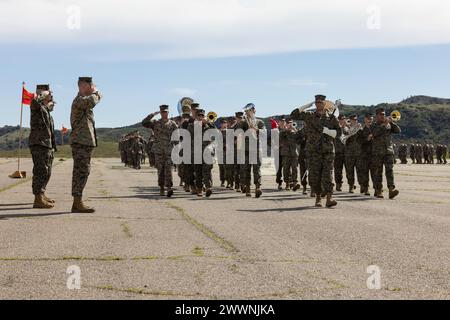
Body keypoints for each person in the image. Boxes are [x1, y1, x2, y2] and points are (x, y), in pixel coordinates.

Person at [290, 94, 339, 207]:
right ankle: (318, 197)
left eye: (320, 102)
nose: (318, 104)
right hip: (313, 151)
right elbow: (294, 114)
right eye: (316, 103)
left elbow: (338, 133)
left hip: (327, 151)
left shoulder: (331, 118)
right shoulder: (309, 116)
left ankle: (329, 198)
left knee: (328, 175)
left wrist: (328, 131)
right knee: (315, 176)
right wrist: (308, 105)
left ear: (324, 103)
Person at [69, 77, 102, 213]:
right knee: (81, 172)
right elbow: (92, 101)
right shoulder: (80, 100)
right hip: (80, 143)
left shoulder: (83, 102)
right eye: (90, 86)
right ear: (83, 86)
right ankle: (77, 203)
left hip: (84, 143)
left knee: (83, 171)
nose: (92, 88)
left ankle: (77, 201)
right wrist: (97, 93)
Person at [29, 85, 57, 209]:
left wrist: (50, 100)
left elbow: (51, 105)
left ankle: (42, 194)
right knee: (40, 171)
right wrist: (44, 93)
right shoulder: (35, 105)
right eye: (48, 94)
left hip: (46, 144)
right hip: (38, 143)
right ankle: (37, 199)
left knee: (47, 171)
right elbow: (36, 100)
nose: (50, 97)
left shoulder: (45, 109)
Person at [142, 105, 178, 197]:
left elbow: (177, 136)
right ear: (160, 113)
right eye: (162, 112)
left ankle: (169, 187)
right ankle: (162, 187)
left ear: (168, 112)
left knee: (168, 169)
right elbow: (144, 123)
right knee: (160, 170)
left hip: (169, 150)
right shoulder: (155, 123)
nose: (164, 114)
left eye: (165, 112)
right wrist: (152, 114)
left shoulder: (173, 124)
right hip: (158, 150)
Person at [369, 108, 400, 199]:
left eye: (384, 114)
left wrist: (392, 122)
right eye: (381, 114)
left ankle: (391, 190)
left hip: (388, 151)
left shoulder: (388, 124)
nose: (383, 116)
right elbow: (375, 133)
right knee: (378, 172)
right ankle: (379, 190)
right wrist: (384, 124)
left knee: (389, 171)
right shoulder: (373, 125)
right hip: (377, 152)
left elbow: (398, 131)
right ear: (377, 116)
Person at [238, 103, 265, 198]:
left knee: (257, 169)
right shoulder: (243, 123)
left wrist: (255, 129)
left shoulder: (260, 122)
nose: (249, 112)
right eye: (247, 111)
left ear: (254, 110)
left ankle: (258, 187)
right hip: (246, 149)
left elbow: (264, 133)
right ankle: (248, 188)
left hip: (256, 149)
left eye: (251, 110)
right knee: (246, 169)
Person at [187, 109, 215, 197]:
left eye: (202, 116)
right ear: (196, 117)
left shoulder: (208, 126)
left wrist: (209, 123)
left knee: (207, 170)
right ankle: (199, 189)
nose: (201, 118)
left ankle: (208, 187)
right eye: (199, 116)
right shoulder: (191, 126)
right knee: (198, 172)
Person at [343, 114, 362, 193]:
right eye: (353, 120)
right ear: (350, 120)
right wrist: (352, 127)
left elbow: (363, 136)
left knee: (360, 170)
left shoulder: (359, 128)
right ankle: (351, 186)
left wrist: (360, 128)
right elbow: (346, 133)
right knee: (349, 171)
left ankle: (362, 186)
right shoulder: (346, 128)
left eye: (356, 120)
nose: (355, 121)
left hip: (358, 152)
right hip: (349, 153)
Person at [280, 118, 300, 191]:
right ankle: (287, 183)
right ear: (286, 124)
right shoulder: (282, 132)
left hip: (294, 153)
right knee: (286, 169)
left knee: (295, 169)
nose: (290, 125)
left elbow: (299, 140)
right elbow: (281, 140)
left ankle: (295, 183)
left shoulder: (295, 132)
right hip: (286, 153)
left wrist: (295, 130)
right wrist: (287, 130)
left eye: (291, 123)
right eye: (289, 123)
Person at [359, 113, 374, 196]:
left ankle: (377, 189)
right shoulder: (361, 130)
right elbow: (359, 142)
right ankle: (366, 188)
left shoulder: (375, 129)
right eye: (368, 119)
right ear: (365, 120)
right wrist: (367, 139)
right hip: (364, 154)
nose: (370, 121)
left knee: (375, 173)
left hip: (374, 154)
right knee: (365, 173)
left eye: (371, 119)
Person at [334, 115, 346, 191]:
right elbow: (337, 135)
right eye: (341, 119)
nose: (342, 120)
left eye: (343, 119)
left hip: (347, 152)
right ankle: (338, 184)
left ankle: (351, 184)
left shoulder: (347, 128)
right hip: (337, 152)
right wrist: (340, 127)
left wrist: (345, 127)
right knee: (338, 170)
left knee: (349, 169)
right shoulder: (335, 129)